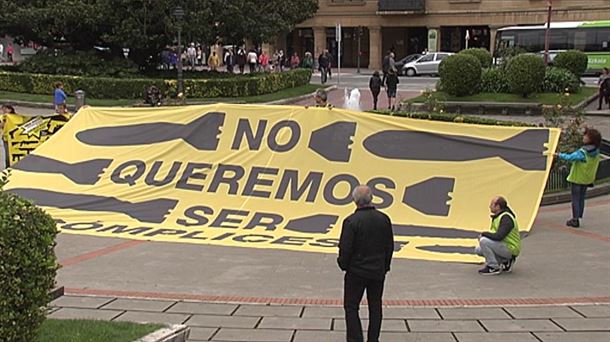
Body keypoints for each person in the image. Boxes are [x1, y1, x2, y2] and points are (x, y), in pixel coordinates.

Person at [338, 185, 394, 342]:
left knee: (351, 306)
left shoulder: (351, 221)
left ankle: (355, 339)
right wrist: (385, 266)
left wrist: (343, 265)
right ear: (372, 198)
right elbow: (389, 246)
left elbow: (346, 248)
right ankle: (373, 339)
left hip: (356, 271)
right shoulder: (384, 219)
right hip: (377, 270)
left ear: (354, 200)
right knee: (375, 306)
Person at [555, 128, 602, 228]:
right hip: (587, 179)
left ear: (591, 139)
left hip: (577, 179)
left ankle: (575, 219)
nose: (584, 137)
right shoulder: (596, 151)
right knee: (581, 198)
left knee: (575, 199)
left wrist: (559, 155)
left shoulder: (583, 152)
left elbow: (570, 157)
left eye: (586, 136)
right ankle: (579, 215)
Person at [475, 196, 521, 275]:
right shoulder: (499, 216)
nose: (490, 206)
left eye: (492, 204)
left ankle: (493, 267)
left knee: (484, 241)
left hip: (510, 248)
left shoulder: (506, 218)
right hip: (504, 246)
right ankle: (505, 261)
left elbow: (499, 236)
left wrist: (484, 234)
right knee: (478, 250)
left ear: (498, 206)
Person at [1, 104, 16, 170]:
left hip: (13, 139)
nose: (3, 110)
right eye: (2, 109)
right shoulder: (3, 118)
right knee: (6, 155)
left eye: (5, 109)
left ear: (10, 110)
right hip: (6, 139)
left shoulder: (14, 118)